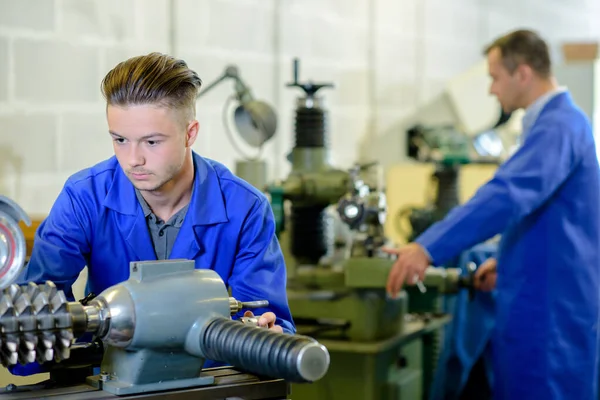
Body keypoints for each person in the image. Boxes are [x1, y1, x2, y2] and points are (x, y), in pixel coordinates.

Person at [11, 52, 295, 374]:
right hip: (108, 385)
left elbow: (273, 328)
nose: (133, 160)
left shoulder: (246, 209)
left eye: (151, 142)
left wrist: (266, 336)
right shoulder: (84, 197)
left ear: (190, 133)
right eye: (120, 139)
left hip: (209, 386)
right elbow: (28, 332)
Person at [385, 29, 600, 399]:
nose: (491, 89)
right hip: (546, 294)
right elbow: (553, 220)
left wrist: (427, 247)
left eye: (495, 77)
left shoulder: (558, 126)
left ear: (523, 74)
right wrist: (507, 262)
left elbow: (508, 194)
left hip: (550, 314)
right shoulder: (558, 124)